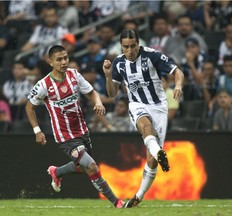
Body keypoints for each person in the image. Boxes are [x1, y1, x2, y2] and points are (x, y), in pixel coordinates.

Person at [25, 45, 124, 208]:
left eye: (65, 58)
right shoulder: (44, 85)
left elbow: (91, 92)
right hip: (65, 136)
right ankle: (117, 202)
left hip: (82, 131)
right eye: (59, 59)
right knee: (91, 166)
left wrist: (98, 102)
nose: (63, 62)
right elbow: (29, 107)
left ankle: (56, 172)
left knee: (85, 168)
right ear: (50, 62)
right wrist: (37, 131)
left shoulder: (74, 75)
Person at [103, 29, 184, 207]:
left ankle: (139, 195)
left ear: (138, 44)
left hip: (159, 107)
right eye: (125, 47)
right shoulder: (118, 63)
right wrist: (108, 76)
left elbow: (177, 71)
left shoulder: (152, 56)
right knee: (145, 126)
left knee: (151, 160)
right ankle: (159, 151)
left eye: (133, 46)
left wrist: (178, 84)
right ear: (121, 46)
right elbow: (111, 93)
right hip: (137, 104)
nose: (129, 51)